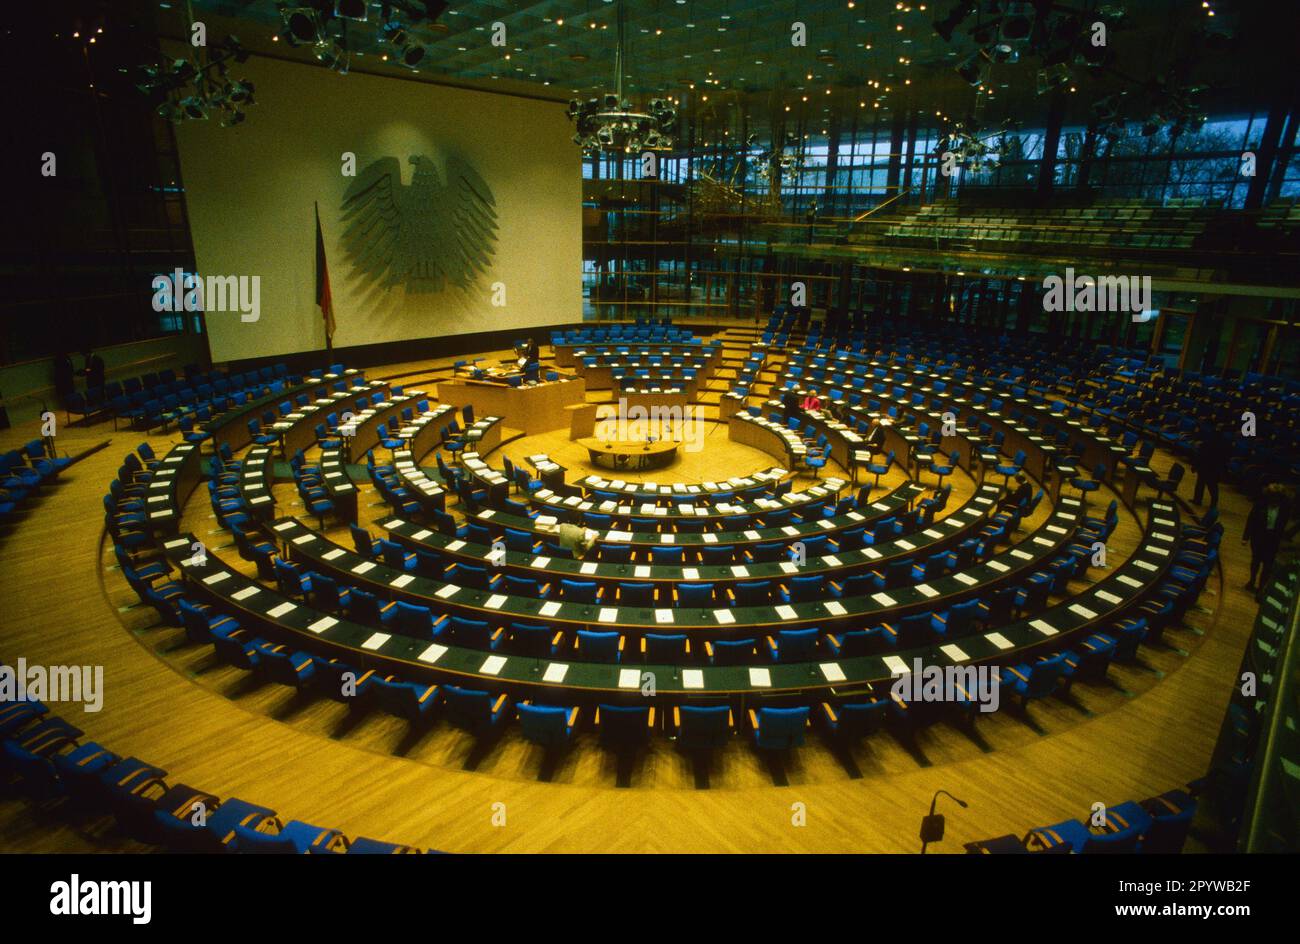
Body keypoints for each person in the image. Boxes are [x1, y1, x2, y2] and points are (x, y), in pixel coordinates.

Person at [1243, 483, 1292, 592]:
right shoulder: (1260, 504)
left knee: (1268, 565)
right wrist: (1245, 537)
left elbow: (1283, 524)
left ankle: (1261, 587)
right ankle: (1252, 580)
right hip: (1259, 536)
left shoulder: (1285, 507)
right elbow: (1251, 520)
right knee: (1255, 561)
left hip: (1273, 539)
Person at [1192, 420, 1228, 507]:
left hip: (1208, 465)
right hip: (1213, 466)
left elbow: (1202, 453)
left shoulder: (1210, 438)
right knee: (1210, 485)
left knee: (1205, 484)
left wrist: (1195, 465)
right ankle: (1208, 502)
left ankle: (1198, 500)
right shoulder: (1223, 440)